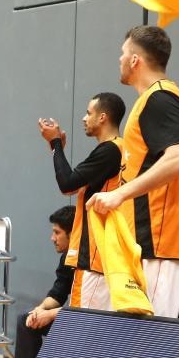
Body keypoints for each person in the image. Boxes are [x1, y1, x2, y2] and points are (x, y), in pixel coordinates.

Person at [87, 25, 179, 318]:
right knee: (132, 339)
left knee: (152, 341)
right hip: (144, 246)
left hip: (159, 246)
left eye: (123, 53)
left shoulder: (160, 98)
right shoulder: (151, 99)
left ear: (135, 60)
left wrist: (119, 194)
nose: (120, 59)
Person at [38, 93, 125, 310]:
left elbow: (66, 184)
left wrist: (55, 142)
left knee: (82, 327)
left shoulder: (110, 150)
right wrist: (57, 149)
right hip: (103, 257)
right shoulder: (118, 149)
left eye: (89, 113)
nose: (84, 118)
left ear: (102, 117)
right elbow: (72, 185)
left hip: (95, 256)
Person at [0, 206, 75, 358]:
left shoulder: (92, 259)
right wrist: (39, 311)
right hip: (69, 316)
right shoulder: (67, 258)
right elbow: (57, 294)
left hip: (90, 323)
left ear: (73, 233)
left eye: (57, 232)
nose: (52, 238)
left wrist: (50, 315)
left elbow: (84, 307)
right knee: (27, 320)